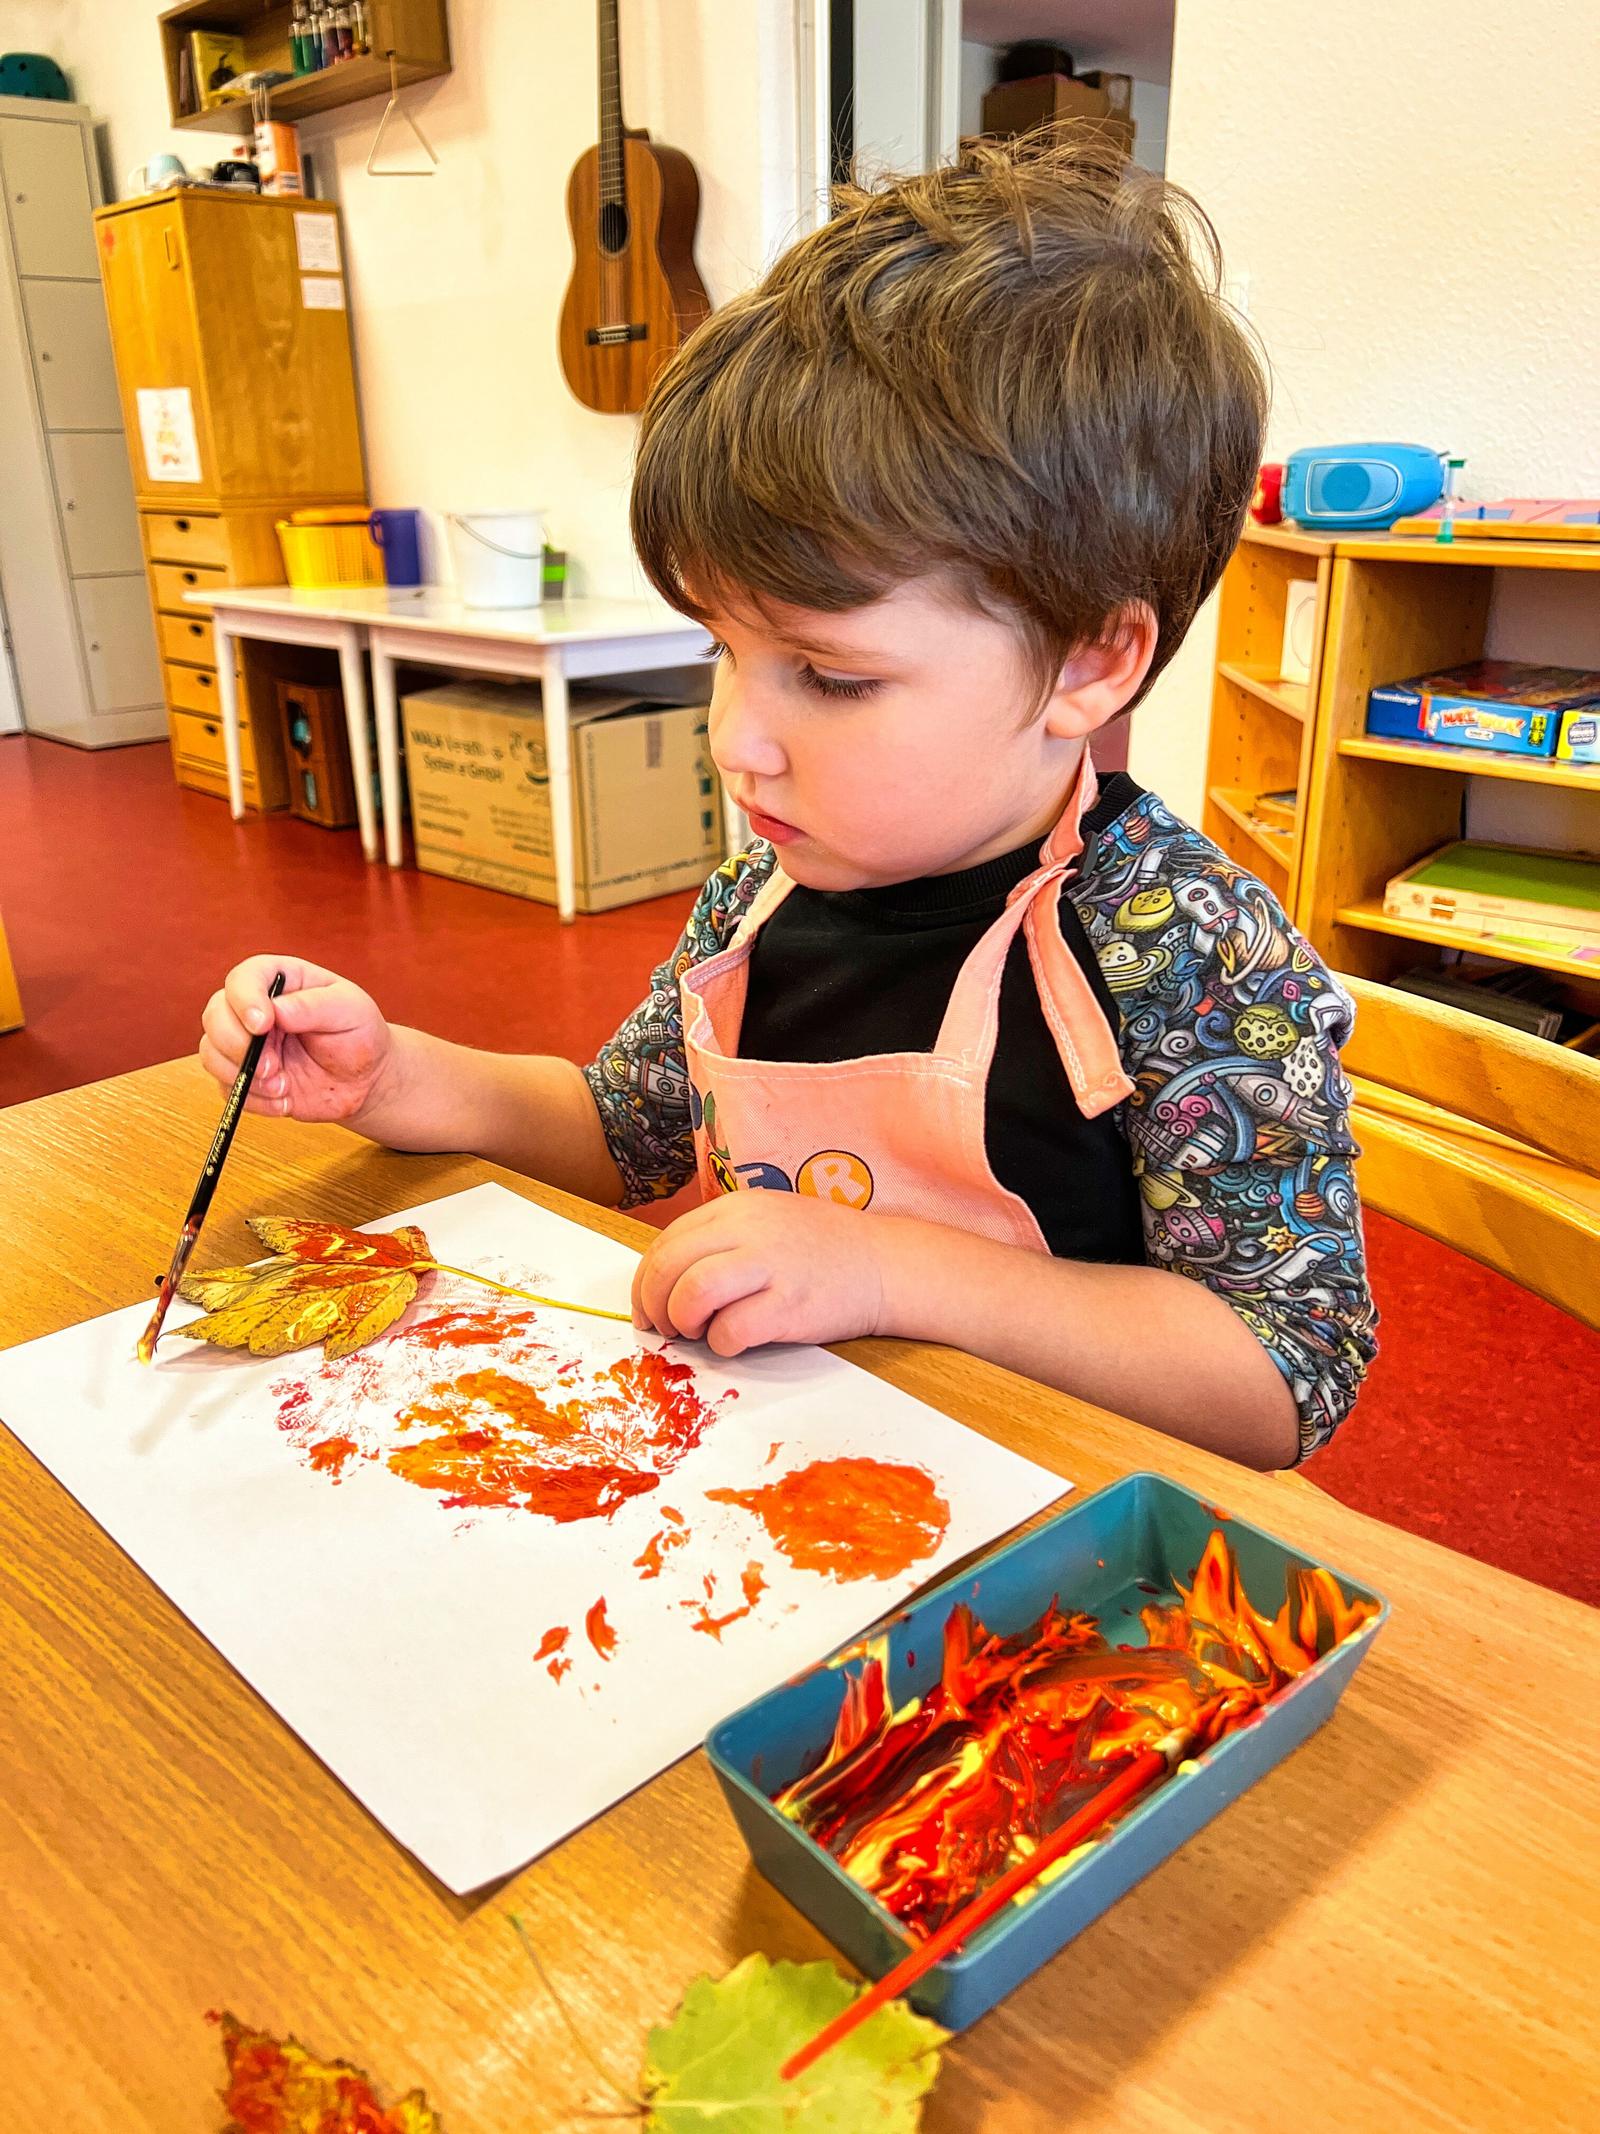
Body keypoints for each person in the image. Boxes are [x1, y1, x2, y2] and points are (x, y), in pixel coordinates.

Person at [201, 133, 1376, 1471]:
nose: (735, 744)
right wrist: (397, 1071)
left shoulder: (1189, 948)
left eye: (827, 674)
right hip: (777, 1486)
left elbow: (1286, 1375)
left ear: (1090, 661)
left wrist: (882, 1270)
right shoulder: (765, 885)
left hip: (1069, 1548)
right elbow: (621, 1128)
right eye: (722, 651)